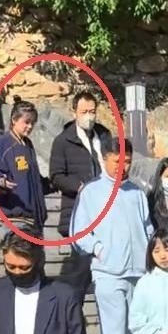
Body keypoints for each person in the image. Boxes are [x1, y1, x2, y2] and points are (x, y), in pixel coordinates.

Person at [70, 137, 154, 334]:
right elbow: (78, 232)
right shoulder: (92, 192)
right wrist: (98, 249)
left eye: (127, 161)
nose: (122, 166)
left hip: (138, 272)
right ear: (104, 158)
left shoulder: (136, 193)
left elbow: (148, 228)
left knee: (130, 331)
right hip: (108, 272)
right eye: (117, 161)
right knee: (114, 328)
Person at [49, 90, 112, 301]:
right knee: (81, 266)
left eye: (92, 111)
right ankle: (70, 306)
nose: (89, 116)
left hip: (105, 210)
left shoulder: (104, 136)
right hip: (79, 212)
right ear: (74, 111)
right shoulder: (63, 141)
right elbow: (56, 176)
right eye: (84, 112)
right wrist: (80, 187)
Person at [0, 98, 49, 235]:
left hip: (35, 220)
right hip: (15, 219)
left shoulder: (28, 145)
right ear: (14, 120)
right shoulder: (2, 143)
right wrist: (1, 182)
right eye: (26, 122)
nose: (30, 126)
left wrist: (52, 183)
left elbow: (32, 180)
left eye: (33, 123)